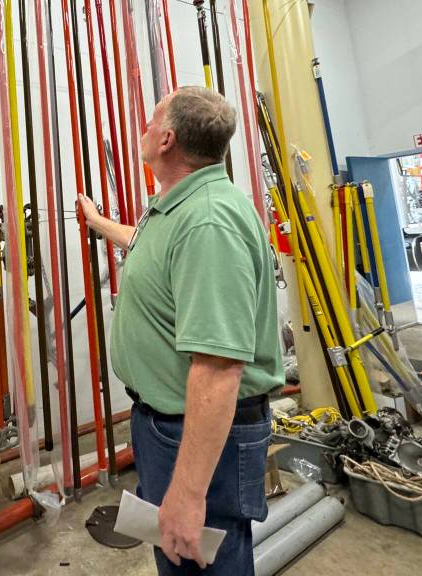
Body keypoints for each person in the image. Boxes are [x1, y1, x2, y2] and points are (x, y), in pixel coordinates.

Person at [79, 86, 283, 575]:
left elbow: (217, 369)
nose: (143, 130)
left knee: (196, 557)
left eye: (150, 121)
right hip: (167, 424)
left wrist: (189, 495)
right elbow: (151, 246)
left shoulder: (208, 221)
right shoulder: (177, 205)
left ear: (167, 139)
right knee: (180, 559)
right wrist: (100, 222)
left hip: (198, 430)